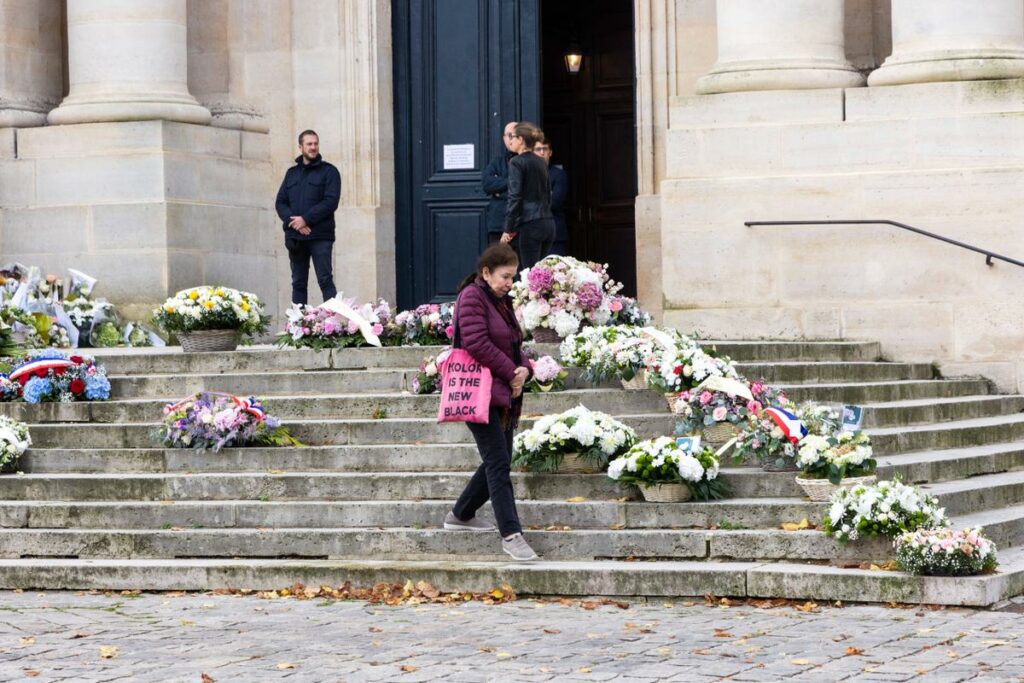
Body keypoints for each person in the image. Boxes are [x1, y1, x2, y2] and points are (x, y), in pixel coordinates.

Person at [443, 243, 538, 562]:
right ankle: (511, 534)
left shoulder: (501, 301)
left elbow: (513, 343)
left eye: (513, 277)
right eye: (505, 276)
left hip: (504, 394)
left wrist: (527, 368)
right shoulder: (472, 296)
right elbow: (476, 343)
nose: (510, 283)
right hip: (480, 392)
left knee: (499, 459)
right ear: (486, 272)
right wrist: (512, 371)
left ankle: (461, 514)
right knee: (498, 462)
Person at [274, 129, 341, 305]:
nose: (313, 147)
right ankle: (297, 325)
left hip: (320, 237)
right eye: (309, 144)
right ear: (300, 147)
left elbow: (330, 201)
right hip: (296, 237)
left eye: (315, 143)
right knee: (298, 283)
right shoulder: (291, 173)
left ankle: (332, 325)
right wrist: (295, 223)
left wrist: (305, 219)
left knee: (325, 280)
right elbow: (280, 202)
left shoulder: (330, 172)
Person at [502, 122, 556, 270]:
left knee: (529, 277)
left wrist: (508, 228)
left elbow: (515, 196)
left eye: (512, 137)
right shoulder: (541, 161)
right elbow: (548, 195)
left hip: (531, 225)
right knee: (541, 276)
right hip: (548, 223)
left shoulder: (516, 162)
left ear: (521, 140)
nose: (510, 141)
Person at [481, 121, 517, 247]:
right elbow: (487, 184)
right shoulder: (496, 162)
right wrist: (513, 183)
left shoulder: (528, 161)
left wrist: (499, 191)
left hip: (522, 226)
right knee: (498, 264)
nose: (512, 139)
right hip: (498, 224)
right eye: (509, 135)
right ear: (504, 139)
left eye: (516, 135)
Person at [534, 137, 569, 256]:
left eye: (545, 149)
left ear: (550, 152)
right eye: (538, 149)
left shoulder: (558, 174)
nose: (542, 152)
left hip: (554, 236)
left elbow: (555, 202)